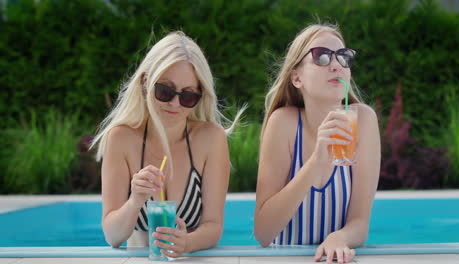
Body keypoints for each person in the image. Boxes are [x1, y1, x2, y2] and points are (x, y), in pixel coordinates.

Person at [91, 31, 242, 258]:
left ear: (200, 96)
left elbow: (213, 226)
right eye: (165, 91)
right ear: (145, 83)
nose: (175, 103)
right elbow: (112, 236)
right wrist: (135, 201)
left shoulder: (211, 138)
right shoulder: (121, 138)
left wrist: (187, 243)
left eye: (188, 96)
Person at [254, 23, 380, 264]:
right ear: (296, 78)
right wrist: (315, 163)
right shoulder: (284, 123)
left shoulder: (363, 120)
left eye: (343, 57)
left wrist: (339, 238)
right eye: (321, 56)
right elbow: (263, 233)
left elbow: (360, 223)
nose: (336, 65)